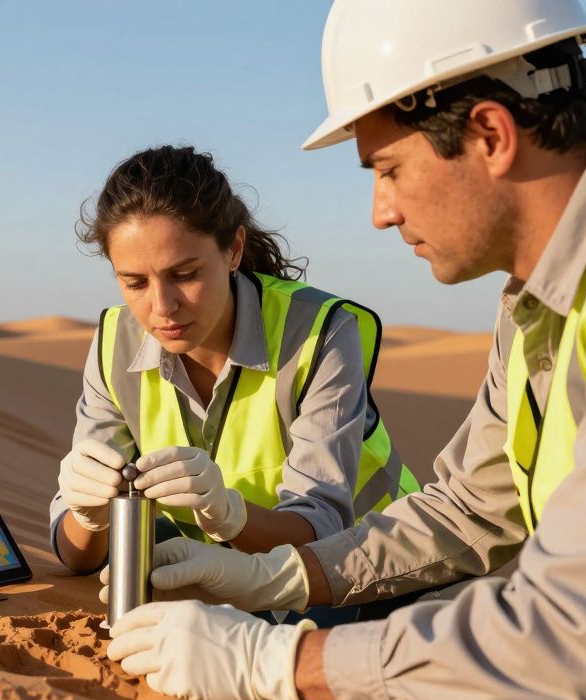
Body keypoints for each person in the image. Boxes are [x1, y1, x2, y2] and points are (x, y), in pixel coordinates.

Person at [103, 1, 586, 700]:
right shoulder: (550, 283)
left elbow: (579, 628)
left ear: (490, 134)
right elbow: (469, 508)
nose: (380, 212)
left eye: (388, 169)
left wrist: (278, 663)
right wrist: (279, 578)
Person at [49, 145, 420, 603]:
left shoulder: (320, 331)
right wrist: (88, 516)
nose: (161, 308)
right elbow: (76, 558)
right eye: (135, 283)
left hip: (375, 573)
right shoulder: (113, 341)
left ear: (234, 250)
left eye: (184, 274)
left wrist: (228, 513)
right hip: (232, 578)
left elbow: (323, 531)